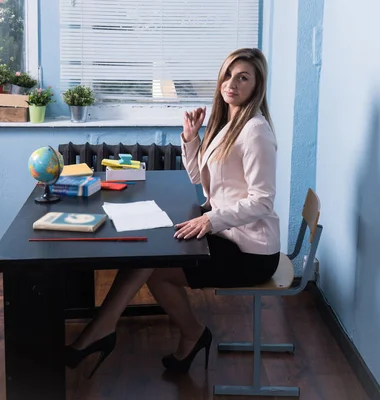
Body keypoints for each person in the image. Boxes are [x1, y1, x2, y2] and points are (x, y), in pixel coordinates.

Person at [64, 47, 281, 379]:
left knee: (153, 262)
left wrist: (209, 219)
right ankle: (131, 331)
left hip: (251, 251)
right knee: (152, 258)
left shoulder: (256, 132)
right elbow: (199, 179)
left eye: (243, 78)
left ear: (257, 86)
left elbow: (263, 201)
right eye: (227, 75)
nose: (231, 84)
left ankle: (103, 331)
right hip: (227, 233)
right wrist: (191, 139)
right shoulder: (228, 124)